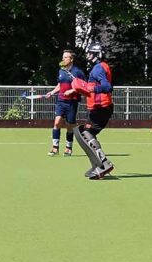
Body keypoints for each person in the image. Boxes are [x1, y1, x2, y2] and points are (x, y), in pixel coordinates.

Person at [68, 42, 114, 179]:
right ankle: (98, 165)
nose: (87, 55)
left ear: (95, 54)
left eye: (89, 53)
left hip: (101, 108)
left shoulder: (98, 69)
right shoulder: (100, 67)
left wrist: (91, 89)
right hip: (99, 107)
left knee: (85, 132)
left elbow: (106, 87)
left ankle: (103, 163)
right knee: (83, 132)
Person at [44, 50, 85, 156]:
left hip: (72, 102)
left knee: (69, 126)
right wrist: (52, 92)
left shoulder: (78, 72)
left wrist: (71, 91)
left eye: (66, 57)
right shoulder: (61, 70)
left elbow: (83, 86)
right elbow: (59, 85)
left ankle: (68, 148)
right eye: (63, 57)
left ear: (71, 59)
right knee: (57, 123)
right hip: (61, 101)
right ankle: (55, 148)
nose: (63, 59)